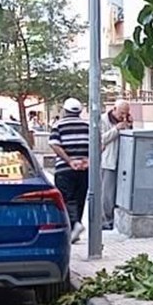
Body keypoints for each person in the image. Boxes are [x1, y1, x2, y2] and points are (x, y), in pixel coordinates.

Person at [49, 98, 90, 242]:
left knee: (66, 198)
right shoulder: (88, 125)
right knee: (80, 198)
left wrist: (69, 161)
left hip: (64, 168)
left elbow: (55, 144)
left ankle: (74, 225)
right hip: (84, 169)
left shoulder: (58, 125)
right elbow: (99, 144)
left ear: (65, 110)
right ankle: (75, 229)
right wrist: (88, 161)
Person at [100, 100, 132, 230]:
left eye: (126, 113)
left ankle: (116, 220)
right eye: (121, 113)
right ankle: (105, 221)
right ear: (114, 109)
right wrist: (116, 129)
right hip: (109, 161)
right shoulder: (103, 120)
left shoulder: (125, 121)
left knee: (120, 193)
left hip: (123, 161)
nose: (123, 116)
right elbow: (101, 139)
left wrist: (130, 125)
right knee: (107, 194)